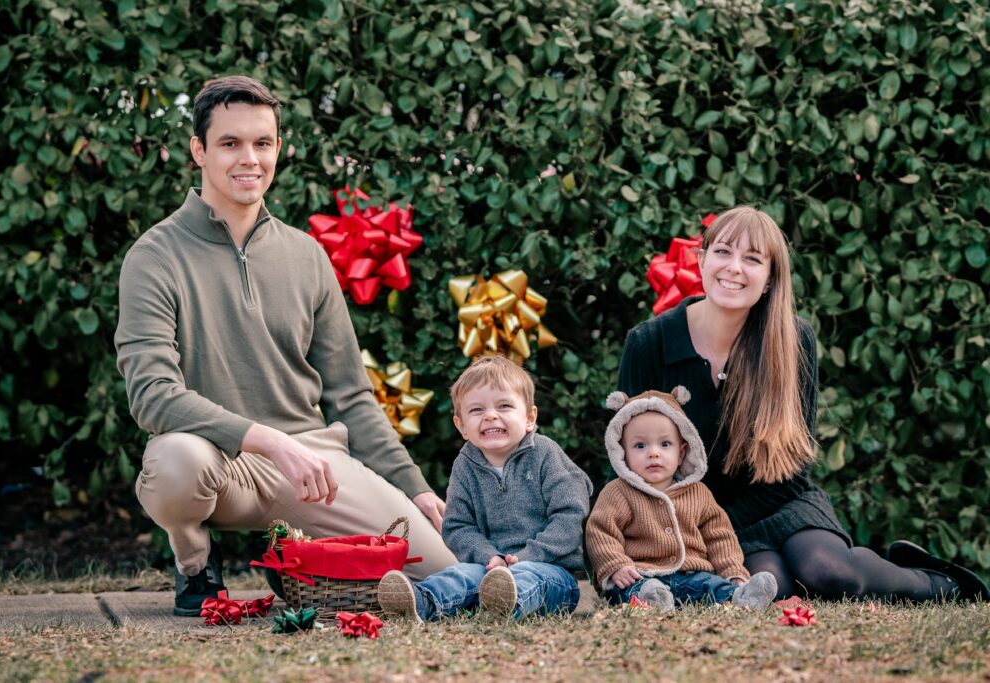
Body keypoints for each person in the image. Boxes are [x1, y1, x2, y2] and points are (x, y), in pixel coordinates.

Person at [114, 76, 456, 616]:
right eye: (230, 143)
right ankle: (196, 565)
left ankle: (306, 563)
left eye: (263, 143)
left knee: (442, 575)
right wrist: (270, 442)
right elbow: (153, 394)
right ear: (198, 150)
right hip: (219, 462)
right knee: (174, 460)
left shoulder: (306, 255)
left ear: (278, 148)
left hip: (312, 464)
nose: (249, 158)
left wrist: (412, 487)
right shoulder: (154, 256)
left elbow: (350, 394)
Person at [616, 205, 989, 602]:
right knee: (773, 585)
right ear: (702, 260)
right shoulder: (649, 343)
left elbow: (792, 467)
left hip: (780, 498)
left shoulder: (792, 341)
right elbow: (625, 461)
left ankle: (939, 582)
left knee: (828, 572)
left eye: (753, 259)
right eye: (723, 252)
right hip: (696, 521)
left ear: (770, 279)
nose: (734, 268)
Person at [377, 355, 592, 622]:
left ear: (529, 417)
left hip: (552, 571)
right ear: (461, 426)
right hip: (489, 568)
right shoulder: (465, 466)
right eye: (477, 410)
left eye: (504, 406)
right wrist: (489, 557)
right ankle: (421, 602)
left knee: (532, 578)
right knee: (459, 576)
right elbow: (458, 526)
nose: (491, 416)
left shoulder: (546, 455)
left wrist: (526, 557)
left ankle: (504, 604)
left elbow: (570, 516)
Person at [586, 386, 777, 611]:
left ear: (682, 452)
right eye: (640, 445)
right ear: (622, 453)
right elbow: (600, 531)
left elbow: (720, 537)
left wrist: (733, 572)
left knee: (711, 586)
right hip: (641, 573)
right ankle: (651, 601)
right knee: (632, 588)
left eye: (665, 444)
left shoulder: (698, 493)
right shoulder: (617, 492)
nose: (653, 453)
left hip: (692, 575)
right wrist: (616, 565)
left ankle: (740, 596)